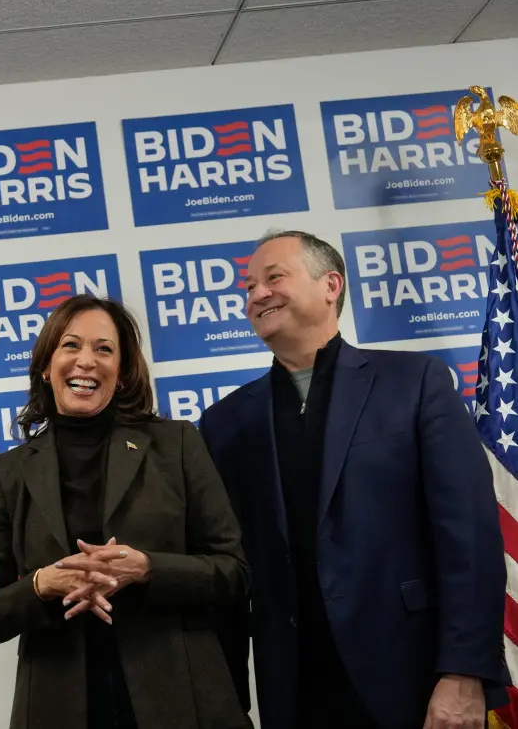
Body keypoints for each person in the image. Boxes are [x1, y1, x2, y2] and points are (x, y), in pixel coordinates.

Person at [200, 229, 510, 729]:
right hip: (295, 691)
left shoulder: (417, 383)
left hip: (415, 681)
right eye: (249, 286)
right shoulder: (224, 422)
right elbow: (226, 571)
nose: (256, 294)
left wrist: (465, 672)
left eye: (273, 277)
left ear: (331, 285)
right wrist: (224, 701)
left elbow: (469, 539)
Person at [0, 294, 250, 729]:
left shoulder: (176, 444)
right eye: (70, 345)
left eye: (104, 349)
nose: (86, 361)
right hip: (57, 704)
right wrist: (43, 584)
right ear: (46, 366)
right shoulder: (6, 473)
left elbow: (234, 572)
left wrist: (149, 569)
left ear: (120, 373)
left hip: (181, 699)